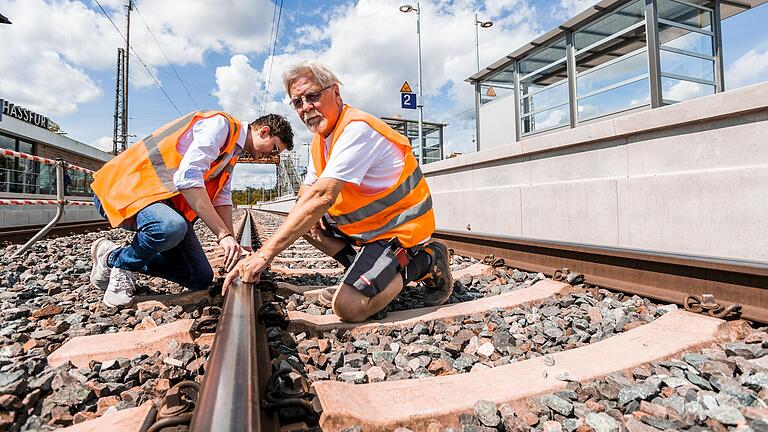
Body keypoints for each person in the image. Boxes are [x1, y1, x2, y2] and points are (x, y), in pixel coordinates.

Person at [224, 61, 452, 322]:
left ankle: (425, 261)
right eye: (297, 102)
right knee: (308, 224)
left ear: (335, 93)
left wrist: (263, 255)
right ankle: (367, 271)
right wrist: (306, 215)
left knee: (349, 307)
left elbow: (322, 197)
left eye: (312, 96)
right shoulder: (320, 139)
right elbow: (308, 193)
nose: (306, 107)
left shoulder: (357, 130)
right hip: (370, 229)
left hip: (398, 230)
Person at [89, 111, 294, 307]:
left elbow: (221, 197)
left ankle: (111, 256)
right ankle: (125, 266)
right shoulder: (220, 126)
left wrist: (233, 243)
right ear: (264, 132)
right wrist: (222, 235)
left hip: (159, 202)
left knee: (199, 277)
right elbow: (188, 177)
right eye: (274, 148)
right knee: (170, 227)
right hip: (124, 190)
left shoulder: (232, 152)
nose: (267, 156)